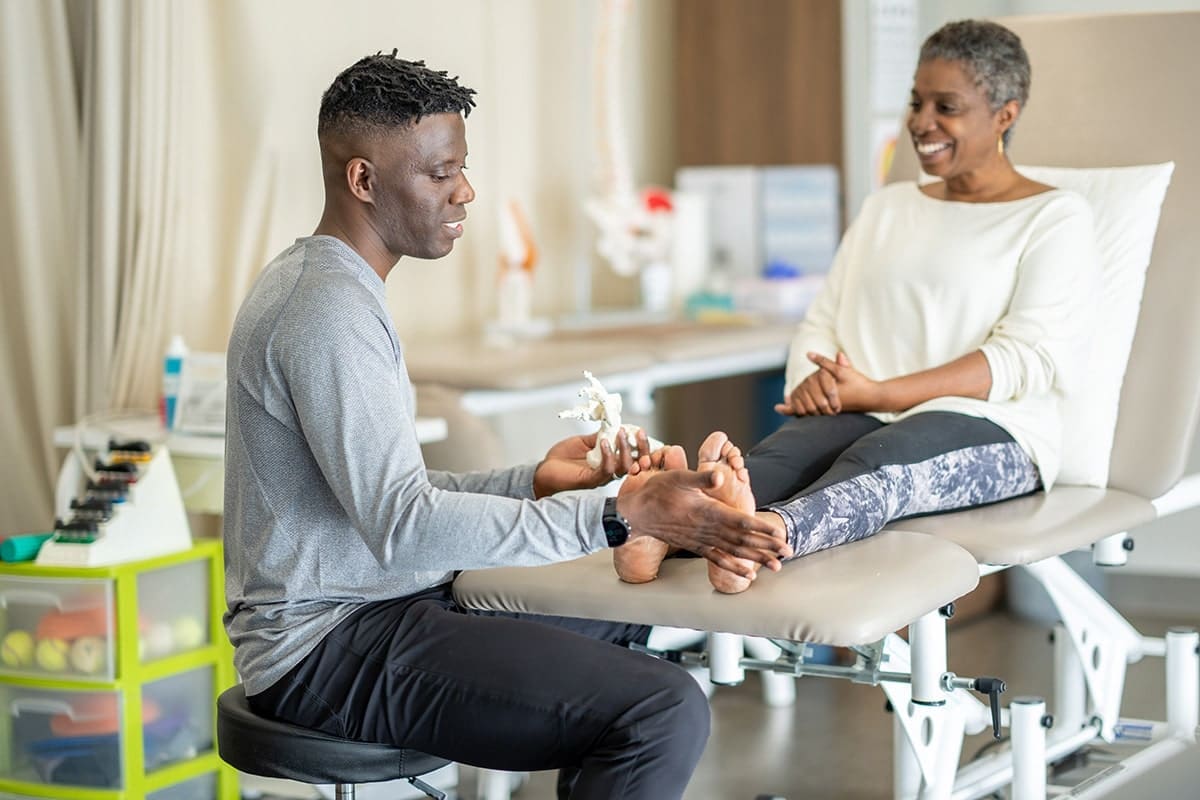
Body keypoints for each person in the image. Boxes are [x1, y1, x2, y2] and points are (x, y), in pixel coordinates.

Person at [221, 52, 793, 800]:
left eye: (462, 167)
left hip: (385, 605)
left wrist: (533, 482)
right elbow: (402, 524)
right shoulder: (325, 312)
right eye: (440, 172)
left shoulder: (337, 290)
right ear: (363, 181)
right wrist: (617, 516)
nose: (466, 190)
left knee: (627, 623)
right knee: (660, 711)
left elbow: (385, 496)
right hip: (326, 646)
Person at [615, 19, 1100, 594]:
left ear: (1005, 115)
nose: (921, 123)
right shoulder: (886, 208)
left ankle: (756, 537)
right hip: (861, 408)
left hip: (998, 430)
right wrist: (813, 384)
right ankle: (665, 532)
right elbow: (822, 319)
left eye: (946, 106)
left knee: (881, 462)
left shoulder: (1054, 218)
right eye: (916, 102)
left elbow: (1027, 358)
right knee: (780, 460)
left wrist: (881, 393)